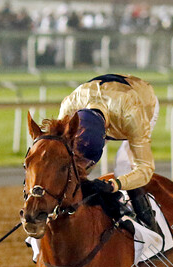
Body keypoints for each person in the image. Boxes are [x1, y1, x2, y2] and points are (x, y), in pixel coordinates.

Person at [58, 73, 160, 234]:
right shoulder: (69, 108)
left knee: (123, 165)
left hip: (143, 104)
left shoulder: (132, 114)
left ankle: (150, 225)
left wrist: (114, 185)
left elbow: (145, 169)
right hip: (104, 100)